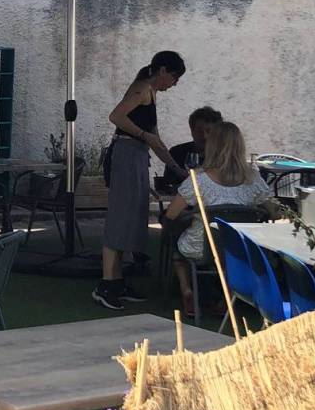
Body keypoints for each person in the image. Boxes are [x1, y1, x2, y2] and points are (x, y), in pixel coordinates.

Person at [94, 51, 185, 311]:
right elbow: (116, 116)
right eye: (174, 77)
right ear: (163, 70)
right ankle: (106, 285)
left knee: (133, 217)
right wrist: (143, 135)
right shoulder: (142, 88)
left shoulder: (151, 94)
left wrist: (176, 168)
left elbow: (156, 139)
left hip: (137, 156)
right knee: (120, 217)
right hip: (126, 154)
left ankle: (118, 281)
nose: (174, 84)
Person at [164, 120, 271, 318]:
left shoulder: (199, 180)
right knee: (228, 252)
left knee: (179, 247)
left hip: (203, 247)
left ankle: (186, 289)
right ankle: (227, 296)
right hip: (240, 248)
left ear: (211, 146)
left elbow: (171, 214)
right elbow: (275, 212)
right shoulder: (254, 179)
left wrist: (192, 213)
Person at [157, 106, 224, 193]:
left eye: (209, 131)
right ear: (192, 131)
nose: (204, 136)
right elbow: (170, 186)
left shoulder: (224, 154)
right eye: (199, 131)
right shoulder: (177, 152)